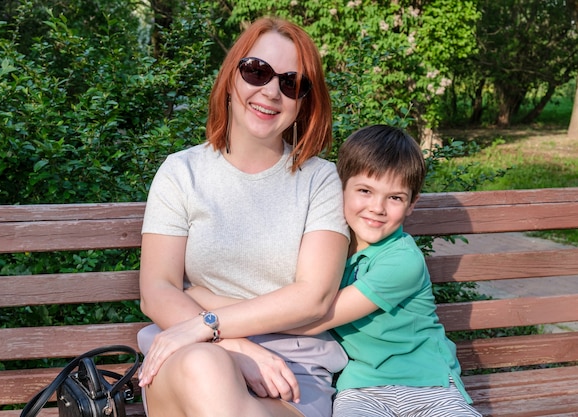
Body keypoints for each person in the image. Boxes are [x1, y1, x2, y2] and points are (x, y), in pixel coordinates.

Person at [136, 16, 350, 417]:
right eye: (257, 71)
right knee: (205, 367)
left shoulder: (320, 180)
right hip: (193, 354)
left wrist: (207, 316)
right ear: (231, 77)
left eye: (291, 83)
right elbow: (157, 288)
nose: (271, 92)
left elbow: (314, 296)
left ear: (304, 102)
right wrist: (227, 341)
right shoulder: (182, 172)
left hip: (292, 372)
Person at [189, 125, 482, 416]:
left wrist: (207, 302)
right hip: (361, 390)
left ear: (411, 204)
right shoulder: (326, 249)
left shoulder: (402, 260)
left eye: (395, 198)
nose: (377, 208)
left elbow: (312, 318)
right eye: (365, 191)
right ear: (339, 187)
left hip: (428, 386)